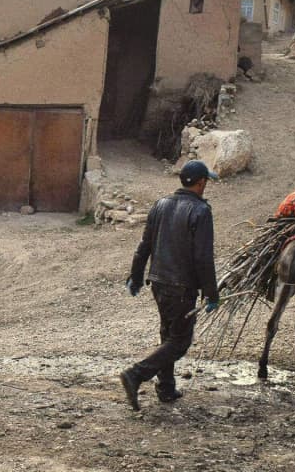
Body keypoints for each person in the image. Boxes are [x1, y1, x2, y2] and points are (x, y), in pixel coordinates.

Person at [119, 160, 220, 410]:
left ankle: (166, 388)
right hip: (182, 286)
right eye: (205, 181)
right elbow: (203, 258)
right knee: (180, 341)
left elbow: (144, 245)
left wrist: (136, 276)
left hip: (159, 282)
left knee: (168, 334)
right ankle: (136, 374)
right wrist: (211, 293)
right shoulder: (201, 211)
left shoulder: (161, 204)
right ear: (201, 183)